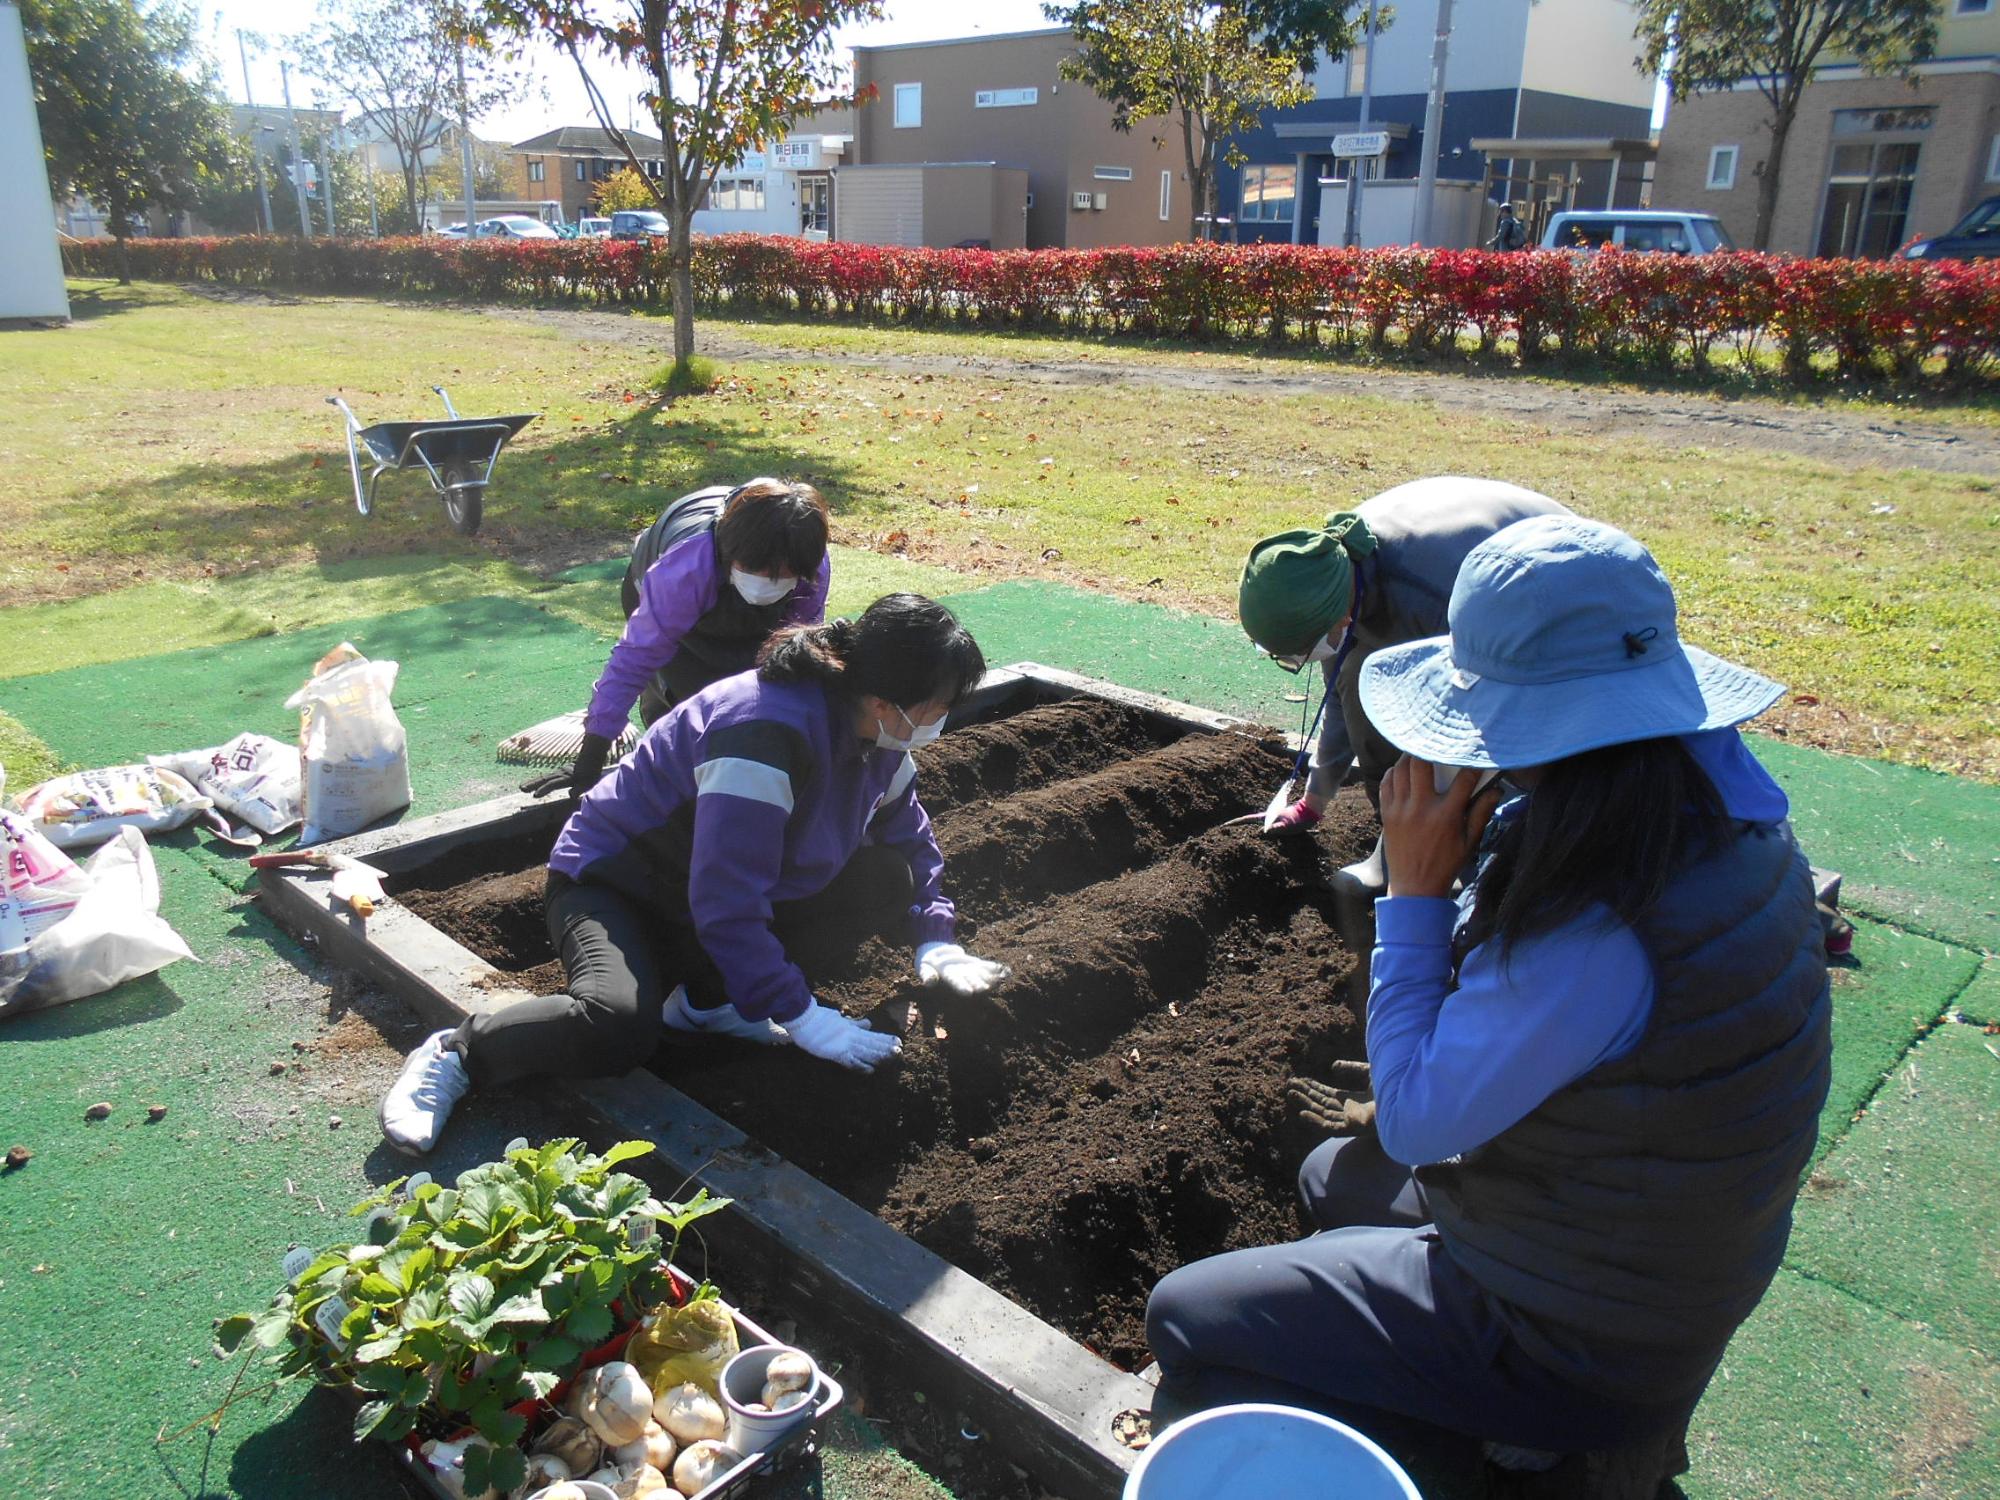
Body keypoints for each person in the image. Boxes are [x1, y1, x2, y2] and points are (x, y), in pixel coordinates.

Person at [1147, 515, 1831, 1485]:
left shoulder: (1592, 920)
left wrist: (1417, 893)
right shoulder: (1716, 821)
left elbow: (1422, 1119)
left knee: (1186, 1316)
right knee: (1329, 1179)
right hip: (1650, 1250)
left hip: (1580, 1332)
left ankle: (1514, 1436)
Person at [380, 593, 1014, 1155]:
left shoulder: (879, 738)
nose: (939, 723)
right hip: (617, 884)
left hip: (702, 891)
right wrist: (800, 1014)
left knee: (884, 880)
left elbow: (910, 838)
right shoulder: (764, 732)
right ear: (882, 699)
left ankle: (710, 1003)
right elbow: (726, 899)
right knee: (618, 1026)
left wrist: (935, 932)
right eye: (934, 709)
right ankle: (461, 1051)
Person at [1236, 475, 1569, 887]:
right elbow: (1342, 697)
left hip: (1553, 595)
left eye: (1298, 651)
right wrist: (1314, 801)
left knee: (1486, 742)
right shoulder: (1336, 578)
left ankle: (1497, 860)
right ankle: (1397, 844)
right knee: (1362, 684)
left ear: (1338, 617)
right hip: (1463, 584)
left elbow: (1474, 718)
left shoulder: (1436, 599)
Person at [569, 478, 832, 799]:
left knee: (754, 701)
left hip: (751, 617)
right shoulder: (685, 568)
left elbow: (795, 653)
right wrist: (593, 752)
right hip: (666, 599)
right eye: (758, 570)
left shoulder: (810, 563)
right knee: (685, 711)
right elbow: (635, 658)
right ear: (730, 551)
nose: (768, 581)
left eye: (782, 575)